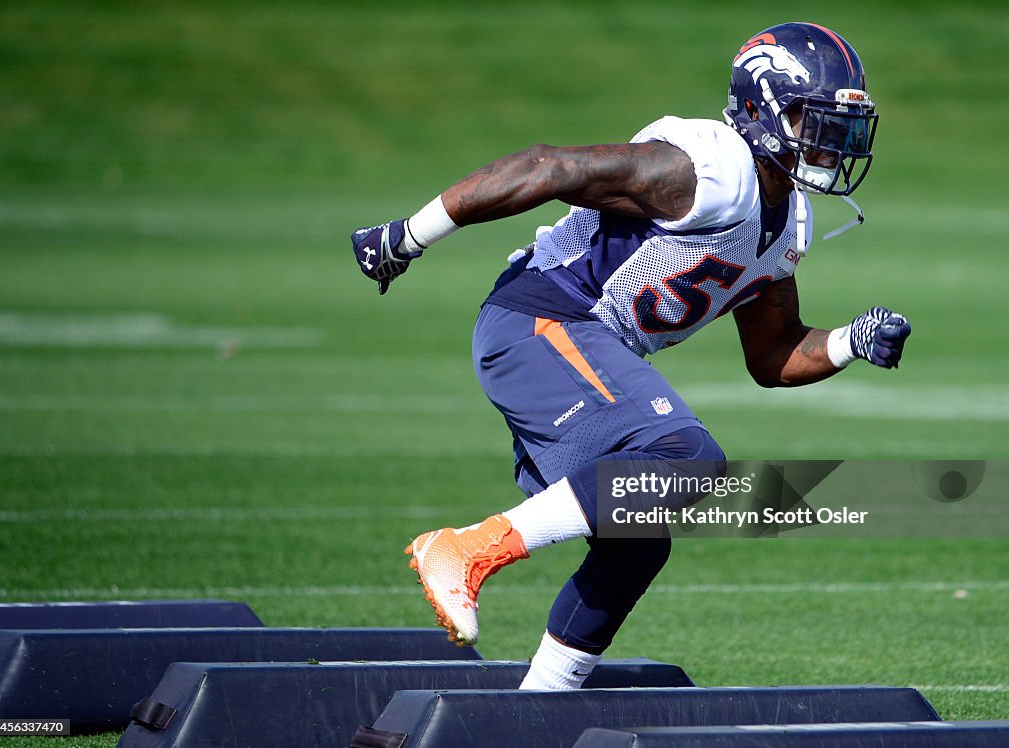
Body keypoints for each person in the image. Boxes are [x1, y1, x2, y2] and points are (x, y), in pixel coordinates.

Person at [350, 22, 911, 690]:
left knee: (635, 542)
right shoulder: (707, 171)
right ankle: (467, 550)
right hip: (541, 320)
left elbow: (771, 351)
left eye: (838, 127)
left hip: (580, 342)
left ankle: (538, 710)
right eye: (807, 119)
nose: (828, 141)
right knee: (688, 458)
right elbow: (548, 166)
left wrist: (850, 341)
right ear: (760, 108)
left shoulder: (788, 219)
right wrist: (407, 236)